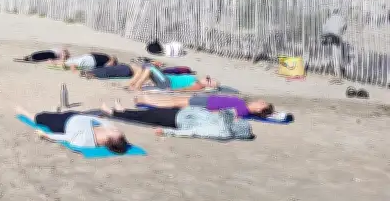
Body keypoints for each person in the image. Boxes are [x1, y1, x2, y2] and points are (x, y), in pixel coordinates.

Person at [98, 100, 254, 140]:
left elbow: (194, 132)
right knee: (150, 112)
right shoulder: (226, 121)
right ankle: (123, 110)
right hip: (183, 113)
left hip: (178, 120)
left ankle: (113, 112)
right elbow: (226, 113)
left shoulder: (221, 131)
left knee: (146, 117)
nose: (237, 118)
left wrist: (166, 132)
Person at [15, 106, 130, 153]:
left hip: (63, 123)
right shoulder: (107, 130)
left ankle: (23, 112)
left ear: (109, 139)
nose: (116, 129)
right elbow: (102, 121)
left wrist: (46, 135)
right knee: (68, 112)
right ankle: (62, 110)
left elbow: (66, 138)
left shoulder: (86, 140)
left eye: (116, 132)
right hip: (76, 115)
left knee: (41, 117)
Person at [134, 94, 274, 118]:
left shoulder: (243, 110)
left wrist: (208, 111)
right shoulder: (244, 106)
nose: (259, 101)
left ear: (259, 109)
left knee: (174, 102)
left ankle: (147, 101)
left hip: (207, 105)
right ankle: (148, 100)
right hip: (208, 100)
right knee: (175, 100)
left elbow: (225, 113)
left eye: (261, 104)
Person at [124, 63, 218, 91]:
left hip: (167, 83)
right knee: (144, 66)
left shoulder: (197, 85)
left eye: (208, 80)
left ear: (208, 86)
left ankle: (136, 86)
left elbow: (184, 90)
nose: (207, 78)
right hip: (165, 79)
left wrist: (171, 91)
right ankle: (131, 84)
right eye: (208, 77)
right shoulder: (195, 79)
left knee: (150, 67)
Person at [321, 10, 347, 81]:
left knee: (327, 54)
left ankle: (324, 70)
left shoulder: (329, 18)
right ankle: (339, 73)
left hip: (326, 36)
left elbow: (324, 27)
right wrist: (341, 34)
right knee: (337, 54)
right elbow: (344, 27)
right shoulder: (341, 17)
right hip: (335, 36)